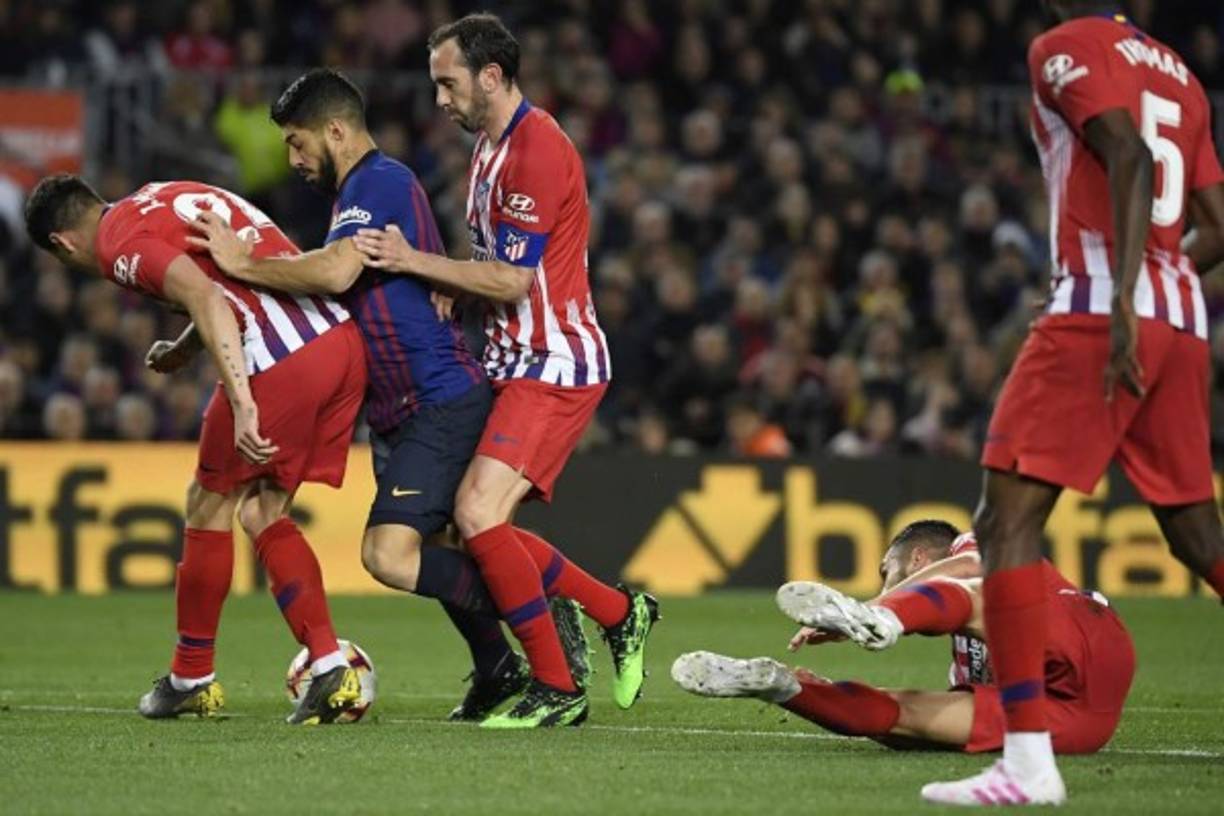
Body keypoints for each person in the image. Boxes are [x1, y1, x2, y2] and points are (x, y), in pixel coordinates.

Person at [187, 67, 590, 722]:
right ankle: (498, 666)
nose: (292, 159)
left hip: (439, 396)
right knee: (446, 549)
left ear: (336, 130)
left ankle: (540, 612)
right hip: (399, 408)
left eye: (297, 142)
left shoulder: (378, 181)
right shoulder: (361, 194)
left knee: (389, 555)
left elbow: (339, 268)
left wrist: (240, 263)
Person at [919, 2, 1224, 806]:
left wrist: (1118, 296)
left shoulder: (1064, 45)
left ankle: (1026, 763)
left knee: (1005, 520)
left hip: (1099, 310)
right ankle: (1024, 762)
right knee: (1197, 535)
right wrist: (1157, 289)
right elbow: (1218, 223)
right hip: (1184, 317)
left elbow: (1125, 152)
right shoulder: (1181, 73)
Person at [352, 12, 658, 728]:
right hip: (508, 361)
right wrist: (453, 280)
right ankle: (621, 612)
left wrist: (413, 259)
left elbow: (517, 282)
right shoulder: (491, 147)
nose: (439, 100)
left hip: (554, 362)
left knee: (478, 514)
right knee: (476, 531)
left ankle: (557, 686)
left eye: (447, 83)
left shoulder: (537, 151)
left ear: (491, 76)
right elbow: (499, 265)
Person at [25, 174, 368, 725]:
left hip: (277, 359)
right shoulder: (156, 194)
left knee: (208, 502)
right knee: (262, 508)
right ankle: (329, 664)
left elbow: (206, 295)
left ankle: (192, 676)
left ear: (63, 244)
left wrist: (244, 401)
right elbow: (228, 274)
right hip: (337, 341)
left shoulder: (116, 243)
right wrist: (188, 348)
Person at [673, 521, 1135, 762]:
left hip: (1085, 638)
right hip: (1073, 723)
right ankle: (781, 686)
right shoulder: (964, 660)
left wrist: (879, 605)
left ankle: (881, 621)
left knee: (987, 593)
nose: (885, 579)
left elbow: (975, 568)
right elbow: (905, 728)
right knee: (905, 717)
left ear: (915, 557)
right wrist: (820, 697)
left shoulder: (974, 547)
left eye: (886, 570)